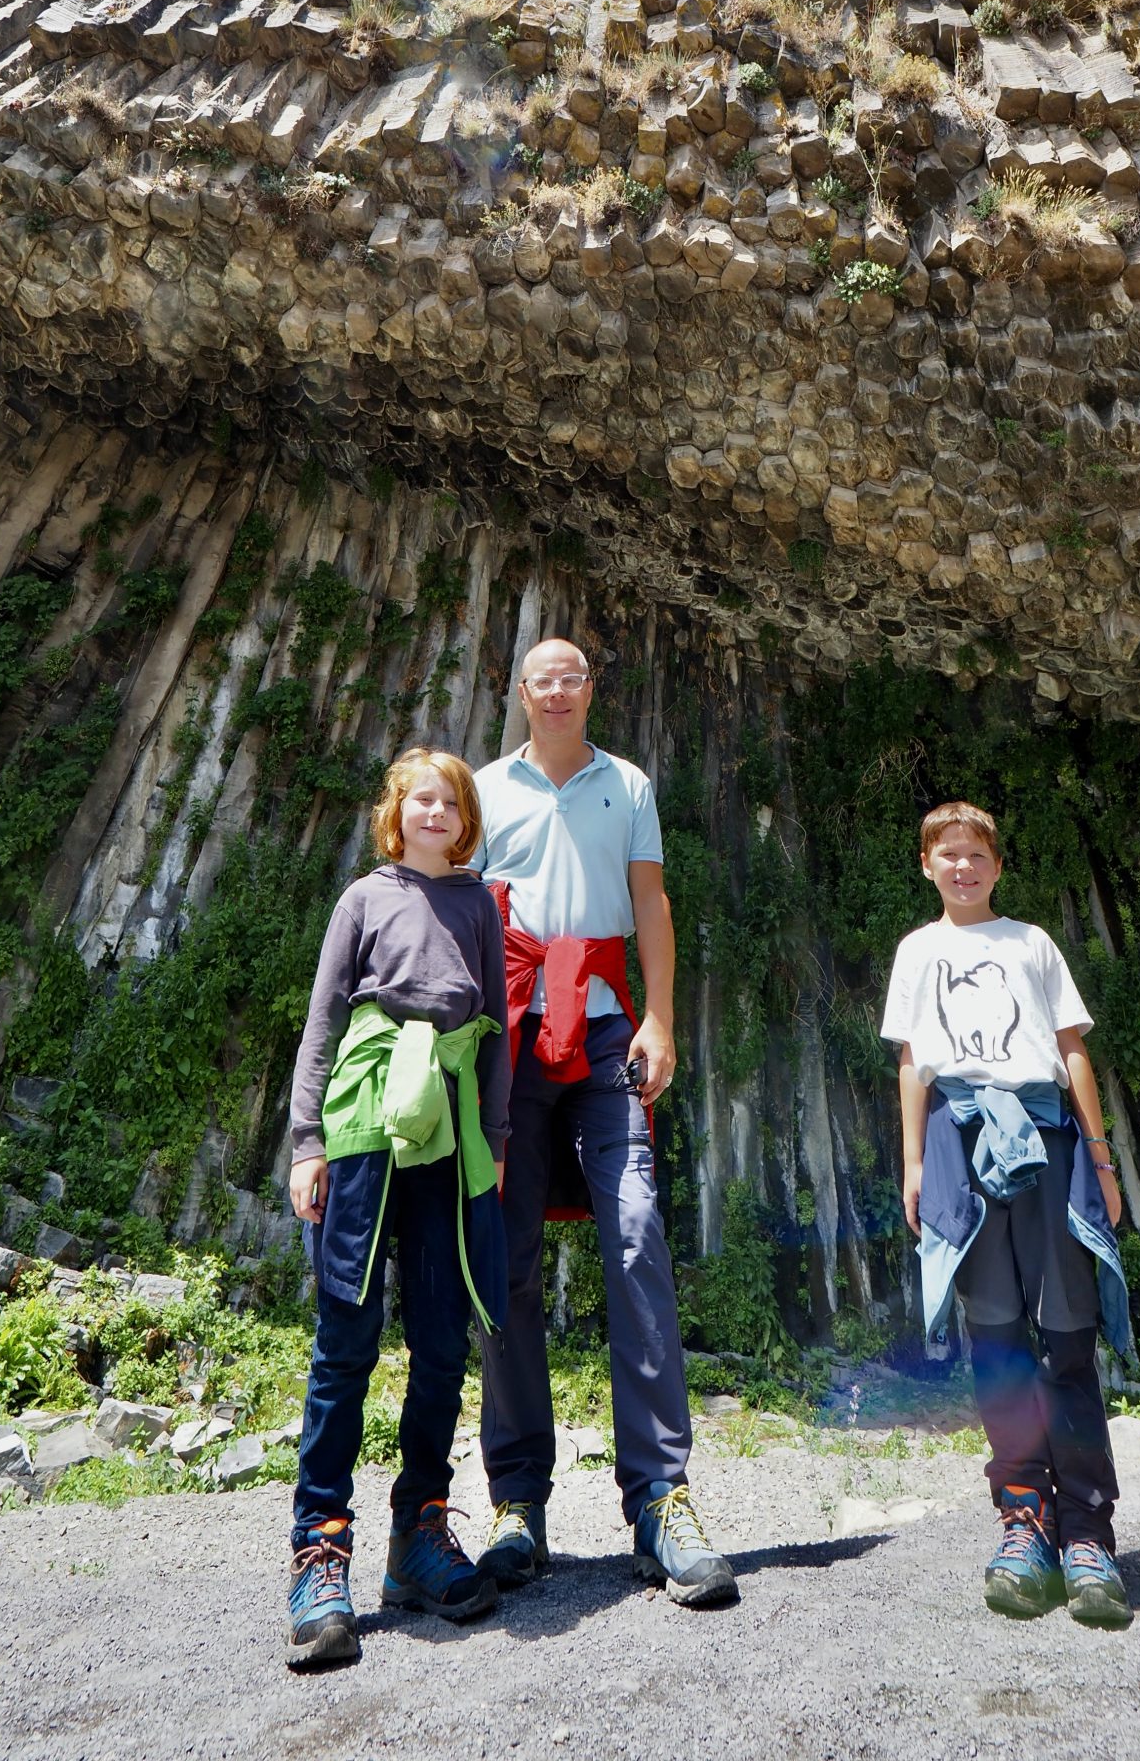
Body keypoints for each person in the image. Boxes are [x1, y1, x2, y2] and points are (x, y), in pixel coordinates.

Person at [471, 637, 738, 1608]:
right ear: (522, 692)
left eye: (571, 676)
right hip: (507, 1025)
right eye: (540, 676)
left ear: (589, 691)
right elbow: (459, 911)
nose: (555, 689)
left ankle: (660, 1497)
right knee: (502, 1254)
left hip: (606, 1026)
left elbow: (650, 902)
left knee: (635, 1236)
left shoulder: (627, 782)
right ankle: (516, 1504)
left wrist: (662, 1016)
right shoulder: (484, 789)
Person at [881, 801, 1135, 1629]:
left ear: (998, 864)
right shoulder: (919, 950)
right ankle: (1024, 1519)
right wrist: (916, 1163)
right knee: (995, 1335)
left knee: (1066, 1333)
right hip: (960, 1138)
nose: (963, 867)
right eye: (948, 856)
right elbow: (915, 1062)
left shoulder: (1032, 943)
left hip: (1049, 1138)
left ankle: (1088, 1533)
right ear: (927, 865)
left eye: (976, 855)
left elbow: (1070, 1048)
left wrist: (1100, 1157)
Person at [283, 748, 511, 1669]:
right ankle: (320, 1550)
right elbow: (324, 1019)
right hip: (366, 1119)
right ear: (396, 812)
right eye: (421, 797)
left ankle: (417, 1533)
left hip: (452, 1132)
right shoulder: (363, 899)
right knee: (346, 1332)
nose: (435, 811)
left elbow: (494, 1025)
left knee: (445, 1335)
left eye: (450, 802)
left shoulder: (477, 905)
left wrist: (489, 1143)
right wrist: (306, 1144)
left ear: (465, 822)